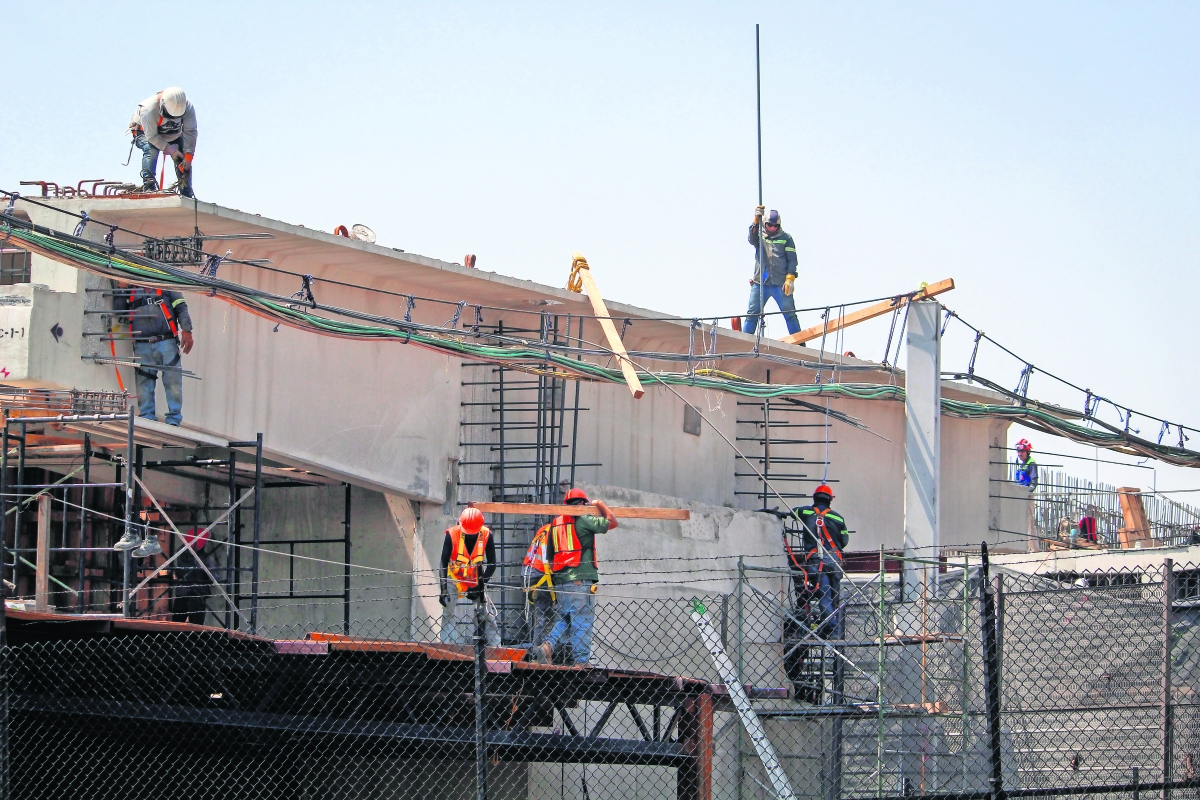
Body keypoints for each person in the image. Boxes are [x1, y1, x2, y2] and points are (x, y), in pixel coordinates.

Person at [535, 488, 618, 666]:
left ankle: (548, 646)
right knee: (582, 620)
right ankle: (581, 661)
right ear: (583, 503)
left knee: (564, 618)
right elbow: (612, 522)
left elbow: (549, 558)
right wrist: (600, 504)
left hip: (560, 581)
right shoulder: (584, 518)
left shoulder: (556, 524)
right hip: (580, 580)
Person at [112, 282, 195, 427]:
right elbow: (119, 311)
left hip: (166, 341)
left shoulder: (165, 284)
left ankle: (174, 419)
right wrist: (121, 289)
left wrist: (186, 330)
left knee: (172, 381)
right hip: (142, 344)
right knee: (144, 382)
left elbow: (181, 308)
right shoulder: (132, 288)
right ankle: (147, 417)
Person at [792, 484, 849, 638]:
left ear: (814, 498)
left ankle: (832, 630)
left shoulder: (805, 511)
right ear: (830, 499)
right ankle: (830, 629)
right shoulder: (838, 517)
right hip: (835, 561)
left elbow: (793, 512)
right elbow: (844, 540)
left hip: (817, 560)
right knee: (834, 599)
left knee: (824, 596)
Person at [439, 507, 500, 646]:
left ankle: (496, 648)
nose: (470, 535)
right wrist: (443, 589)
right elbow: (443, 562)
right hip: (454, 578)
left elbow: (492, 564)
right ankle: (448, 646)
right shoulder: (452, 534)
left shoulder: (486, 535)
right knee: (448, 611)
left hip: (475, 578)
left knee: (487, 613)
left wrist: (479, 587)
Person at [129, 87, 197, 196]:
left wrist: (188, 156)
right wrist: (169, 149)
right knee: (151, 149)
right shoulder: (149, 109)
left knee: (183, 159)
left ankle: (186, 191)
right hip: (146, 133)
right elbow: (151, 136)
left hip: (172, 134)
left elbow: (190, 132)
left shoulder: (187, 108)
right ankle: (149, 185)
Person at [744, 207, 800, 336]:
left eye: (776, 226)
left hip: (780, 284)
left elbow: (792, 260)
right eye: (770, 225)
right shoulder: (759, 237)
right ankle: (744, 344)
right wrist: (755, 221)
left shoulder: (786, 238)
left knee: (790, 315)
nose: (773, 228)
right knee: (752, 314)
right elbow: (751, 238)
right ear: (765, 223)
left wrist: (790, 278)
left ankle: (800, 345)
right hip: (761, 283)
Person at [170, 527, 215, 624]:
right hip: (197, 593)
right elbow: (214, 578)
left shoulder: (181, 552)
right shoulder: (206, 559)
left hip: (183, 591)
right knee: (195, 626)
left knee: (177, 624)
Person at [522, 522, 556, 646]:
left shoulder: (545, 529)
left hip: (530, 573)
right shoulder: (557, 530)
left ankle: (539, 651)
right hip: (541, 574)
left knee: (541, 616)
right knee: (546, 617)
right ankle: (540, 652)